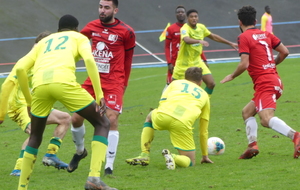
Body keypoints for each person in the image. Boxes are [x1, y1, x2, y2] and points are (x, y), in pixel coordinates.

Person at [15, 15, 116, 190]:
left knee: (35, 137)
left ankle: (22, 187)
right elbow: (90, 60)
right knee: (102, 122)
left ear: (58, 28)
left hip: (39, 86)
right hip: (63, 83)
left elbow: (20, 68)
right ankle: (94, 179)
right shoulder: (79, 37)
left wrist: (29, 101)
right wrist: (99, 94)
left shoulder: (43, 42)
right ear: (76, 28)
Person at [220, 5, 300, 159]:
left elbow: (244, 64)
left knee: (265, 119)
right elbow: (285, 51)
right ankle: (252, 145)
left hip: (265, 83)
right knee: (247, 112)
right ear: (256, 20)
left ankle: (296, 136)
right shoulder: (266, 34)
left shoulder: (243, 37)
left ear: (240, 22)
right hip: (274, 80)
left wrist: (232, 75)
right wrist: (271, 65)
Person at [70, 0, 136, 176]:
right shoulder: (91, 26)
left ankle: (108, 166)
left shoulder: (126, 31)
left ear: (115, 10)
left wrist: (124, 84)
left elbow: (128, 60)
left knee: (111, 119)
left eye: (107, 7)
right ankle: (80, 151)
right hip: (92, 81)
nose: (102, 10)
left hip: (114, 81)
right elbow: (75, 42)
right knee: (75, 119)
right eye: (100, 7)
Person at [0, 31, 70, 177]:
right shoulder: (25, 62)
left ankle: (51, 156)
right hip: (18, 106)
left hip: (34, 103)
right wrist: (1, 114)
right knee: (34, 132)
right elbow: (6, 85)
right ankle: (18, 168)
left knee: (64, 118)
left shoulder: (42, 61)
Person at [126, 67, 213, 170]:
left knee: (149, 117)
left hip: (163, 115)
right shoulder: (205, 95)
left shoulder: (175, 83)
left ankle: (144, 154)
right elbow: (203, 131)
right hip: (182, 123)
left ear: (185, 78)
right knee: (190, 161)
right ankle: (173, 157)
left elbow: (162, 101)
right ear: (201, 82)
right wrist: (204, 155)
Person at [173, 9, 238, 96]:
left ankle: (203, 103)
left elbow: (214, 37)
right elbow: (186, 39)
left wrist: (229, 43)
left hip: (197, 61)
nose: (194, 18)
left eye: (195, 16)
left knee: (211, 84)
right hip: (184, 64)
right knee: (173, 88)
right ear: (187, 18)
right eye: (191, 17)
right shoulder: (185, 28)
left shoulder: (201, 27)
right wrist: (199, 41)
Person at [164, 5, 207, 91]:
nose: (180, 14)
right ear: (175, 15)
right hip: (176, 62)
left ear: (186, 15)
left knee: (193, 84)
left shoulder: (192, 28)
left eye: (182, 12)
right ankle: (165, 101)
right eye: (178, 12)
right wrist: (169, 63)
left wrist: (204, 59)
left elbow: (197, 46)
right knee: (171, 86)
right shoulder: (171, 29)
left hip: (190, 61)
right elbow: (167, 47)